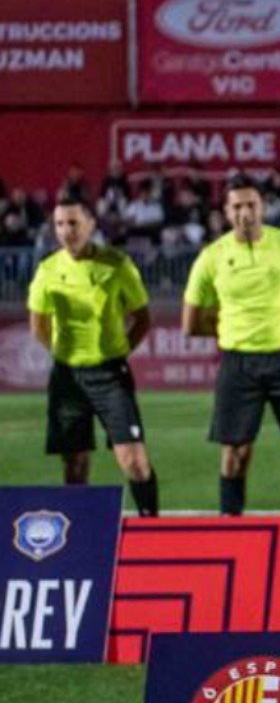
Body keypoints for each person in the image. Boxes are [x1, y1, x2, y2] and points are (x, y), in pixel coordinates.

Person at [181, 177, 280, 516]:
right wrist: (231, 331)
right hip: (239, 364)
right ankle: (230, 527)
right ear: (226, 212)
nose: (245, 212)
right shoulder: (212, 258)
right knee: (235, 455)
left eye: (251, 205)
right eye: (237, 206)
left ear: (263, 207)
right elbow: (190, 322)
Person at [27, 198, 160, 515]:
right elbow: (38, 325)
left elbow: (142, 318)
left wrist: (118, 352)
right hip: (67, 377)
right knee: (74, 465)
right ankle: (78, 545)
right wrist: (65, 355)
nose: (66, 231)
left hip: (110, 376)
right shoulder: (48, 270)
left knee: (134, 461)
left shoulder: (117, 264)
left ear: (91, 225)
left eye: (73, 223)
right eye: (59, 224)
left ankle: (152, 529)